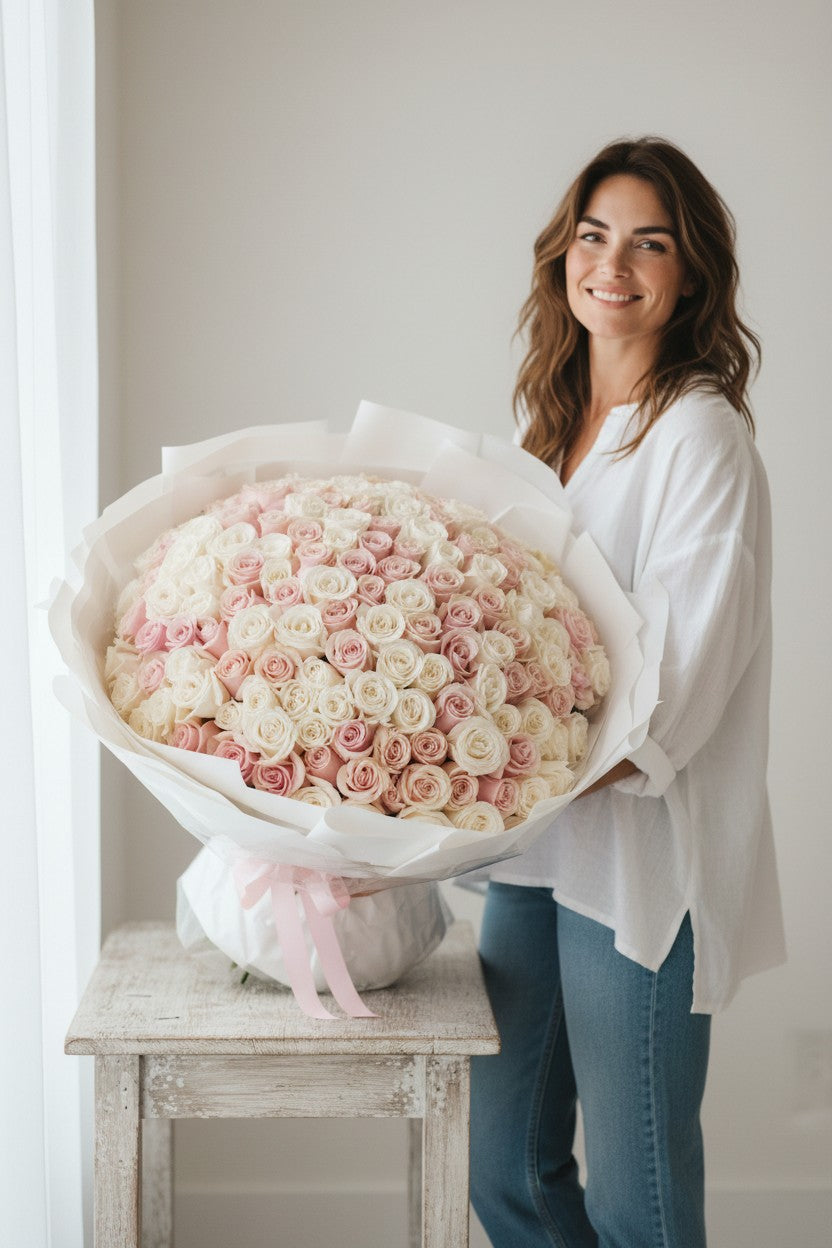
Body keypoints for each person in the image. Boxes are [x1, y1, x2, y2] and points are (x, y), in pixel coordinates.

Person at [468, 136, 786, 1248]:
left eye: (650, 242)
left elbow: (686, 680)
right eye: (594, 236)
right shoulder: (547, 434)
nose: (615, 263)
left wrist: (521, 786)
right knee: (505, 1172)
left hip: (634, 861)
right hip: (533, 862)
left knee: (634, 1202)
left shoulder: (698, 435)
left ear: (688, 272)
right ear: (564, 257)